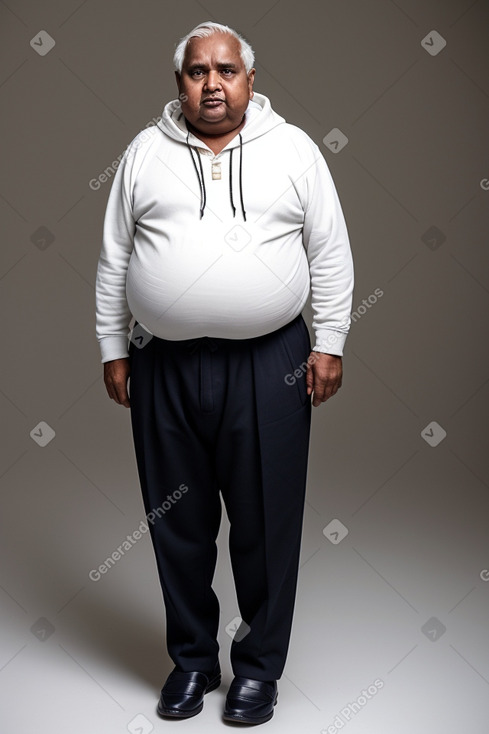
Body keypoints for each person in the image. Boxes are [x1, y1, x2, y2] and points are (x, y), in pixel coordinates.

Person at [95, 20, 354, 726]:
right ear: (179, 81)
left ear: (247, 78)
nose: (212, 83)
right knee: (177, 522)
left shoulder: (294, 150)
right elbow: (114, 258)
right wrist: (113, 350)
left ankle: (258, 670)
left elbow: (328, 250)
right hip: (164, 364)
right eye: (197, 71)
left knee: (265, 524)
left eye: (226, 70)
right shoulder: (143, 153)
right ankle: (192, 663)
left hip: (268, 362)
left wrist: (327, 342)